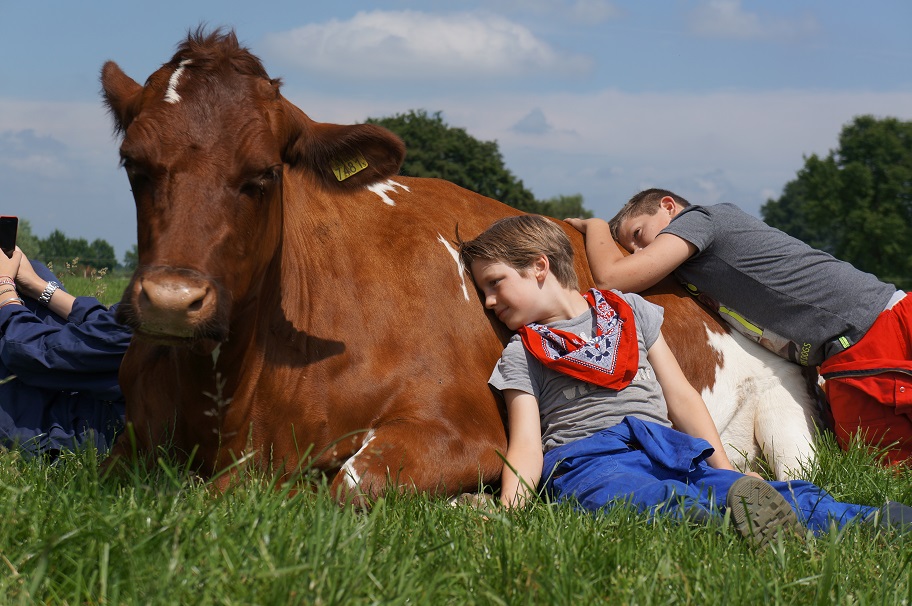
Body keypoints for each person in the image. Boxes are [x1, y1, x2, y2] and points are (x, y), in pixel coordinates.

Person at [459, 214, 910, 547]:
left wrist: (726, 469)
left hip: (666, 446)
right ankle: (740, 525)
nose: (489, 302)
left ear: (539, 267)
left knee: (741, 489)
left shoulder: (630, 313)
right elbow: (527, 444)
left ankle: (873, 520)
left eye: (495, 283)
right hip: (590, 459)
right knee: (630, 497)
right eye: (484, 291)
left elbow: (681, 397)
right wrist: (510, 510)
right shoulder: (523, 352)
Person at [565, 189, 912, 464]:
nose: (639, 249)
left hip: (885, 321)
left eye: (638, 234)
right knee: (882, 462)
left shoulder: (703, 219)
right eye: (631, 247)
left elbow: (611, 279)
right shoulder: (692, 277)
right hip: (845, 362)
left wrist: (594, 225)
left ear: (668, 206)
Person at [0, 246, 131, 458]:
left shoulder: (157, 324)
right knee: (34, 269)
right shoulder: (177, 299)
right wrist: (35, 284)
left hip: (80, 429)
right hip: (97, 387)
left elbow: (30, 353)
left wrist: (5, 289)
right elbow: (108, 327)